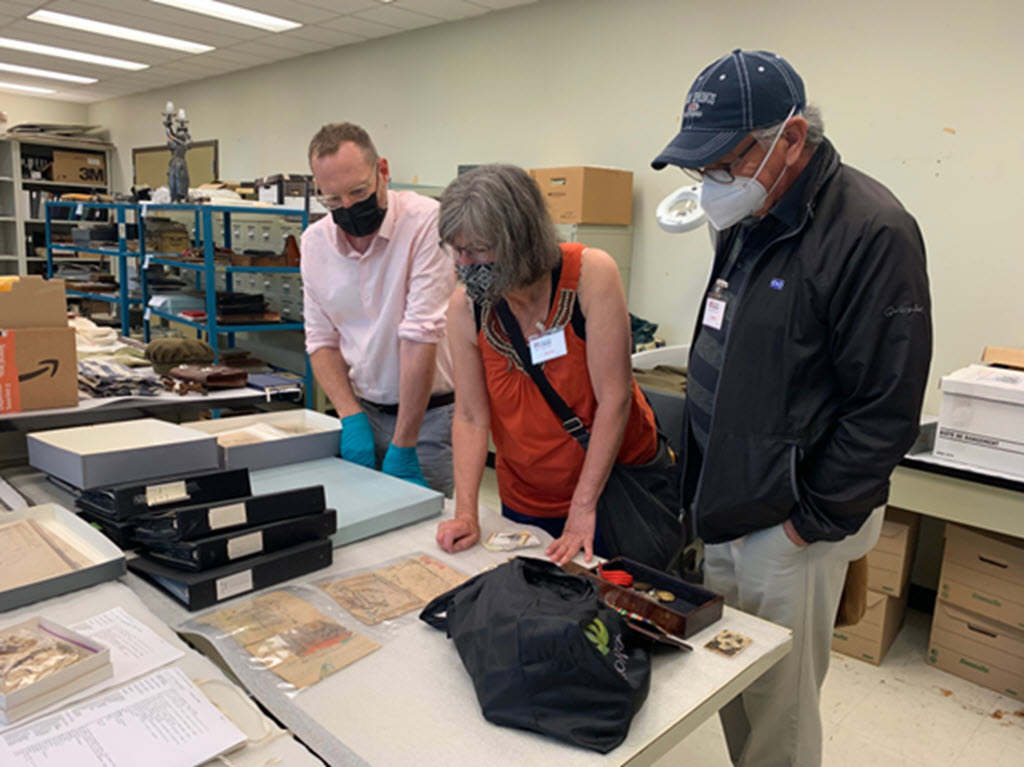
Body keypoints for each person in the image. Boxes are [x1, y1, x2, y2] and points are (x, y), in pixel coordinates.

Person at [651, 50, 932, 767]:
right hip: (726, 496)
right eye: (700, 165)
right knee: (732, 678)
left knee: (779, 706)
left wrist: (810, 522)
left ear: (793, 137)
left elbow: (885, 406)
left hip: (789, 518)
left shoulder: (874, 231)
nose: (711, 180)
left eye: (724, 160)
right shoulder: (745, 212)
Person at [433, 163, 661, 565]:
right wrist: (466, 512)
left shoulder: (591, 274)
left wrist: (583, 505)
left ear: (522, 239)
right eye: (457, 250)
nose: (466, 264)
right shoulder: (467, 308)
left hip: (610, 487)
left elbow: (615, 399)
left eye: (480, 249)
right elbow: (469, 415)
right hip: (526, 490)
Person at [302, 122, 456, 495]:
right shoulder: (314, 243)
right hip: (364, 411)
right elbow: (321, 339)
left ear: (382, 171)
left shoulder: (425, 222)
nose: (350, 208)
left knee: (425, 538)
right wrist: (349, 415)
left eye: (358, 191)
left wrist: (404, 444)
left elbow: (420, 334)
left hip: (430, 417)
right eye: (334, 200)